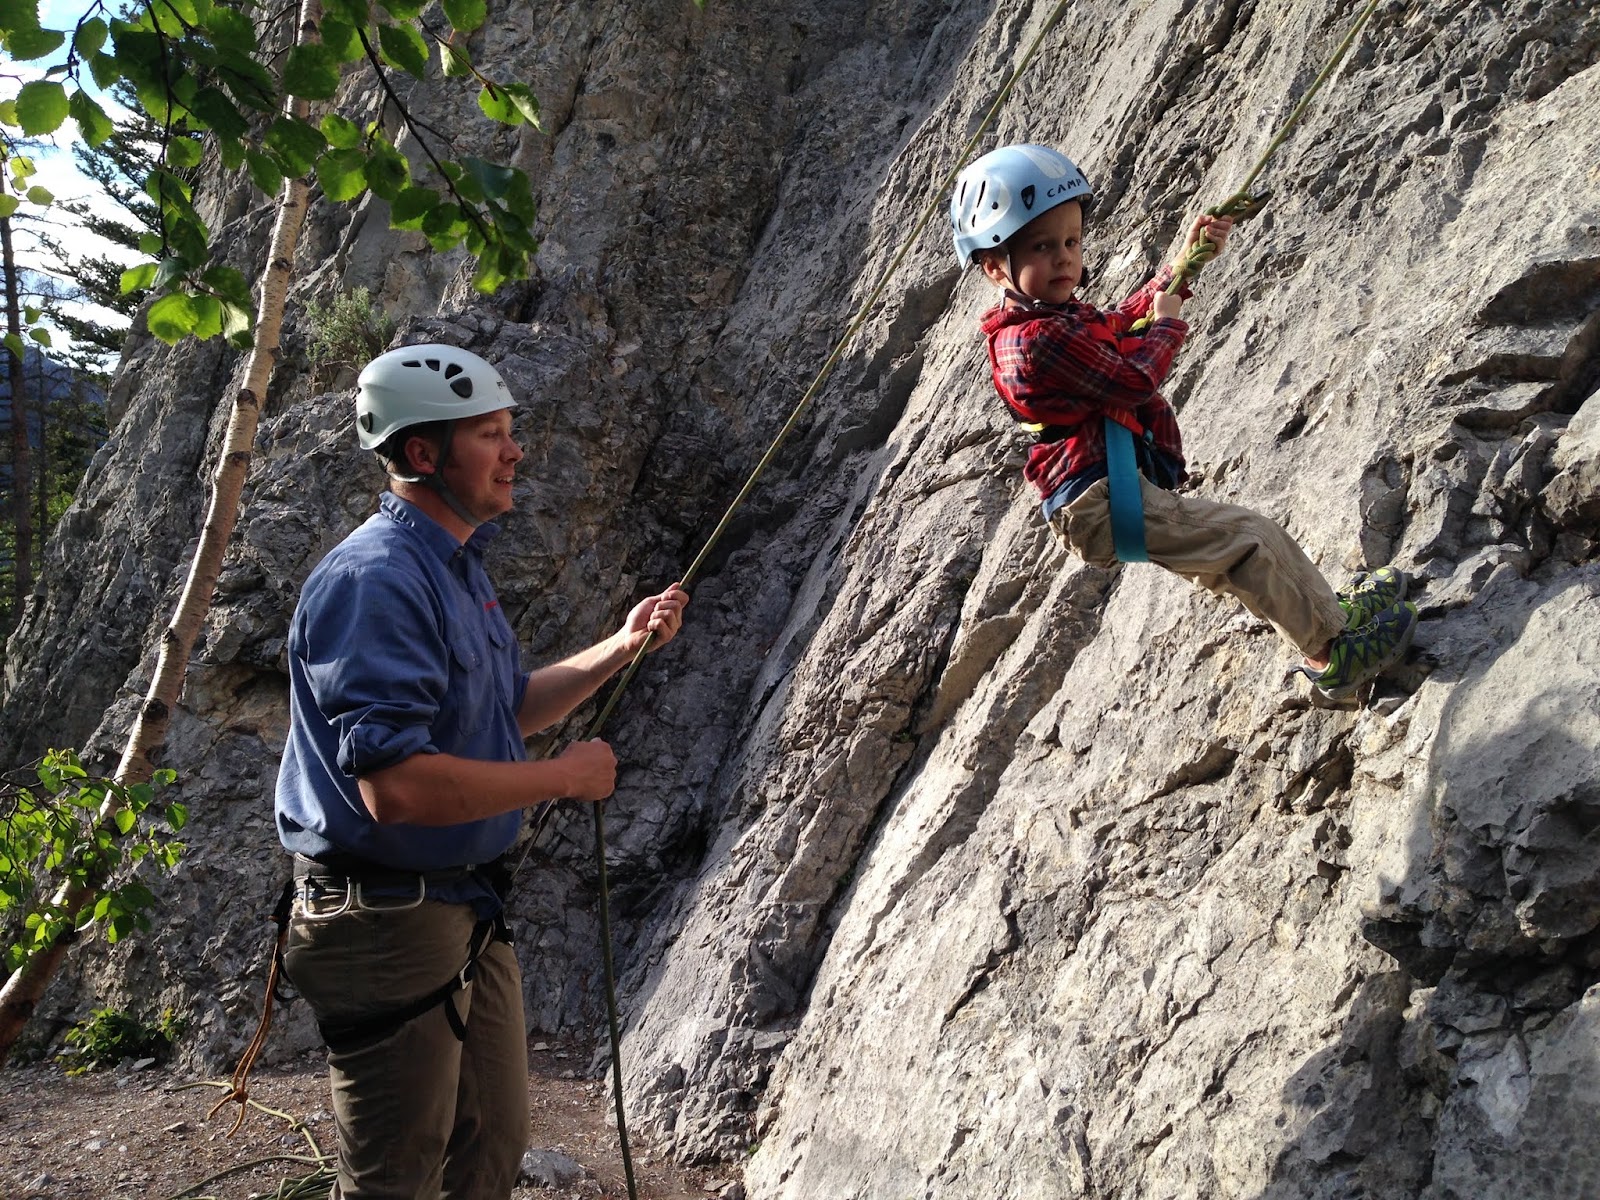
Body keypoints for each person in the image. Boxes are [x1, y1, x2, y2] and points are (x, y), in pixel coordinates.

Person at [274, 342, 689, 1198]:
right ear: (422, 453)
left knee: (491, 1148)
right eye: (491, 434)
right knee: (396, 1177)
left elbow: (503, 711)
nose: (515, 451)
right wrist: (563, 778)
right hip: (385, 920)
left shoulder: (453, 567)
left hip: (459, 906)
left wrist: (620, 646)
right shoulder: (376, 581)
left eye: (510, 431)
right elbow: (397, 787)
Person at [949, 143, 1416, 699]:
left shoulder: (1055, 318)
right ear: (994, 266)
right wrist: (1168, 326)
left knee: (1248, 538)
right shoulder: (1033, 342)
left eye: (1071, 242)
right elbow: (1133, 380)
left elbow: (1120, 321)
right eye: (1043, 247)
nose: (1064, 259)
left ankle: (1331, 615)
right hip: (1100, 503)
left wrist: (1182, 265)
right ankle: (1333, 656)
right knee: (1248, 542)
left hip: (1107, 492)